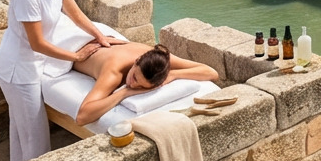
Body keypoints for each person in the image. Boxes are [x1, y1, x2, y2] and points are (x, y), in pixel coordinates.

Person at [0, 0, 116, 161]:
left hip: (34, 62)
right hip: (17, 68)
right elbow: (37, 43)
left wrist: (99, 35)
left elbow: (75, 13)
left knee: (23, 129)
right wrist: (76, 56)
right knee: (34, 136)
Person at [73, 42, 218, 126]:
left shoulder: (156, 59)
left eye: (142, 86)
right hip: (76, 46)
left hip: (108, 42)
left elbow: (211, 72)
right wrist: (124, 93)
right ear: (137, 61)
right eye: (135, 78)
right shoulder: (113, 73)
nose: (133, 85)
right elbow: (82, 117)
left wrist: (174, 74)